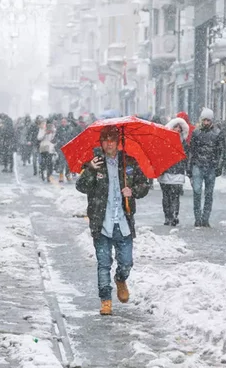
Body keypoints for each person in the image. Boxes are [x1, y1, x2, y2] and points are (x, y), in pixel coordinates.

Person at [75, 125, 150, 315]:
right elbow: (81, 187)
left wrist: (132, 191)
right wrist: (90, 169)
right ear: (101, 143)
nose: (109, 144)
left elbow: (144, 185)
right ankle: (105, 300)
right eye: (105, 140)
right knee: (103, 263)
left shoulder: (129, 163)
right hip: (101, 222)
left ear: (118, 142)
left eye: (112, 140)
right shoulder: (94, 164)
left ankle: (120, 279)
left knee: (126, 262)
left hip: (123, 222)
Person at [188, 108, 225, 228]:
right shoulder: (196, 133)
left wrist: (219, 166)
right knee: (197, 192)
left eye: (208, 120)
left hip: (211, 166)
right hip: (198, 165)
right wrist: (190, 167)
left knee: (208, 194)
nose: (206, 123)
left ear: (211, 120)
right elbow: (191, 151)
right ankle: (198, 218)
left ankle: (205, 219)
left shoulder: (218, 133)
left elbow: (221, 151)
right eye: (204, 120)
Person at [160, 118, 189, 226]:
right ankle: (168, 216)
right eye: (175, 127)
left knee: (175, 195)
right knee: (166, 195)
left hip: (178, 171)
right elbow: (160, 156)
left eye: (179, 128)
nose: (177, 129)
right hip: (166, 171)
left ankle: (174, 215)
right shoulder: (164, 141)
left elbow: (186, 157)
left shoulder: (183, 143)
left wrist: (186, 168)